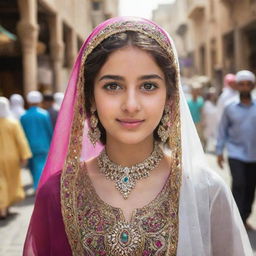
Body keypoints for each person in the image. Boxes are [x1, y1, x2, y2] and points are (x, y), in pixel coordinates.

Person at [23, 17, 252, 255]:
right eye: (113, 86)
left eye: (148, 86)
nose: (131, 105)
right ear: (89, 96)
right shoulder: (58, 193)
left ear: (170, 97)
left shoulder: (205, 191)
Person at [216, 70, 256, 231]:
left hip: (254, 155)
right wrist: (219, 151)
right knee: (239, 184)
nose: (245, 87)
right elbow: (222, 129)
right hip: (235, 153)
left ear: (252, 86)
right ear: (237, 86)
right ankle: (236, 219)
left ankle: (244, 217)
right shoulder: (229, 106)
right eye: (242, 84)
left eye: (248, 84)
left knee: (251, 187)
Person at [0, 97, 32, 218]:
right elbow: (21, 140)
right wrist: (24, 155)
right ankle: (5, 207)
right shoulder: (13, 123)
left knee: (1, 182)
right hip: (11, 157)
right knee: (10, 181)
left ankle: (3, 207)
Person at [20, 91, 53, 190]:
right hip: (43, 145)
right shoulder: (44, 114)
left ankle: (37, 185)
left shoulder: (24, 116)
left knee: (33, 167)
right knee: (40, 166)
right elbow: (49, 130)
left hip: (29, 146)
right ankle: (39, 187)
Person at [202, 87, 218, 153]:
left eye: (214, 94)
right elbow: (204, 113)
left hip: (215, 123)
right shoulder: (206, 103)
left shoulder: (217, 102)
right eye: (211, 94)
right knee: (207, 136)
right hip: (208, 123)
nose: (213, 96)